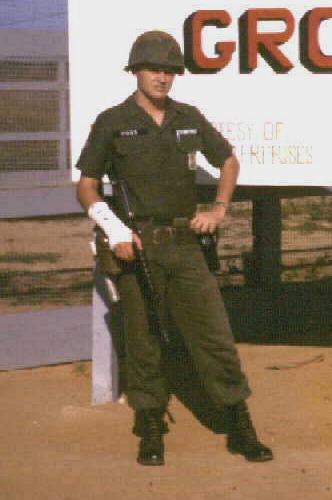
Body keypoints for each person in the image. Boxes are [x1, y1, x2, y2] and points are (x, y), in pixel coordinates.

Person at [75, 30, 273, 466]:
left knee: (214, 335)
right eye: (153, 69)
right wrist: (113, 228)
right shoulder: (112, 121)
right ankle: (150, 426)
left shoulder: (188, 116)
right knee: (143, 341)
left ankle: (239, 424)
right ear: (136, 72)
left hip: (186, 246)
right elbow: (87, 185)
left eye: (169, 71)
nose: (162, 77)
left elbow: (228, 159)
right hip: (137, 247)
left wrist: (219, 208)